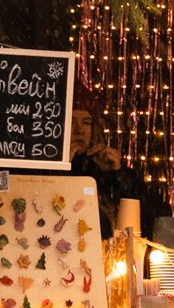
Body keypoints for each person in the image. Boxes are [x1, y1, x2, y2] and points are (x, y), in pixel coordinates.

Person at [69, 102, 162, 239]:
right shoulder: (42, 169)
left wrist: (117, 173)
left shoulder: (101, 167)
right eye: (71, 123)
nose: (79, 130)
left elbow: (147, 213)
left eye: (86, 123)